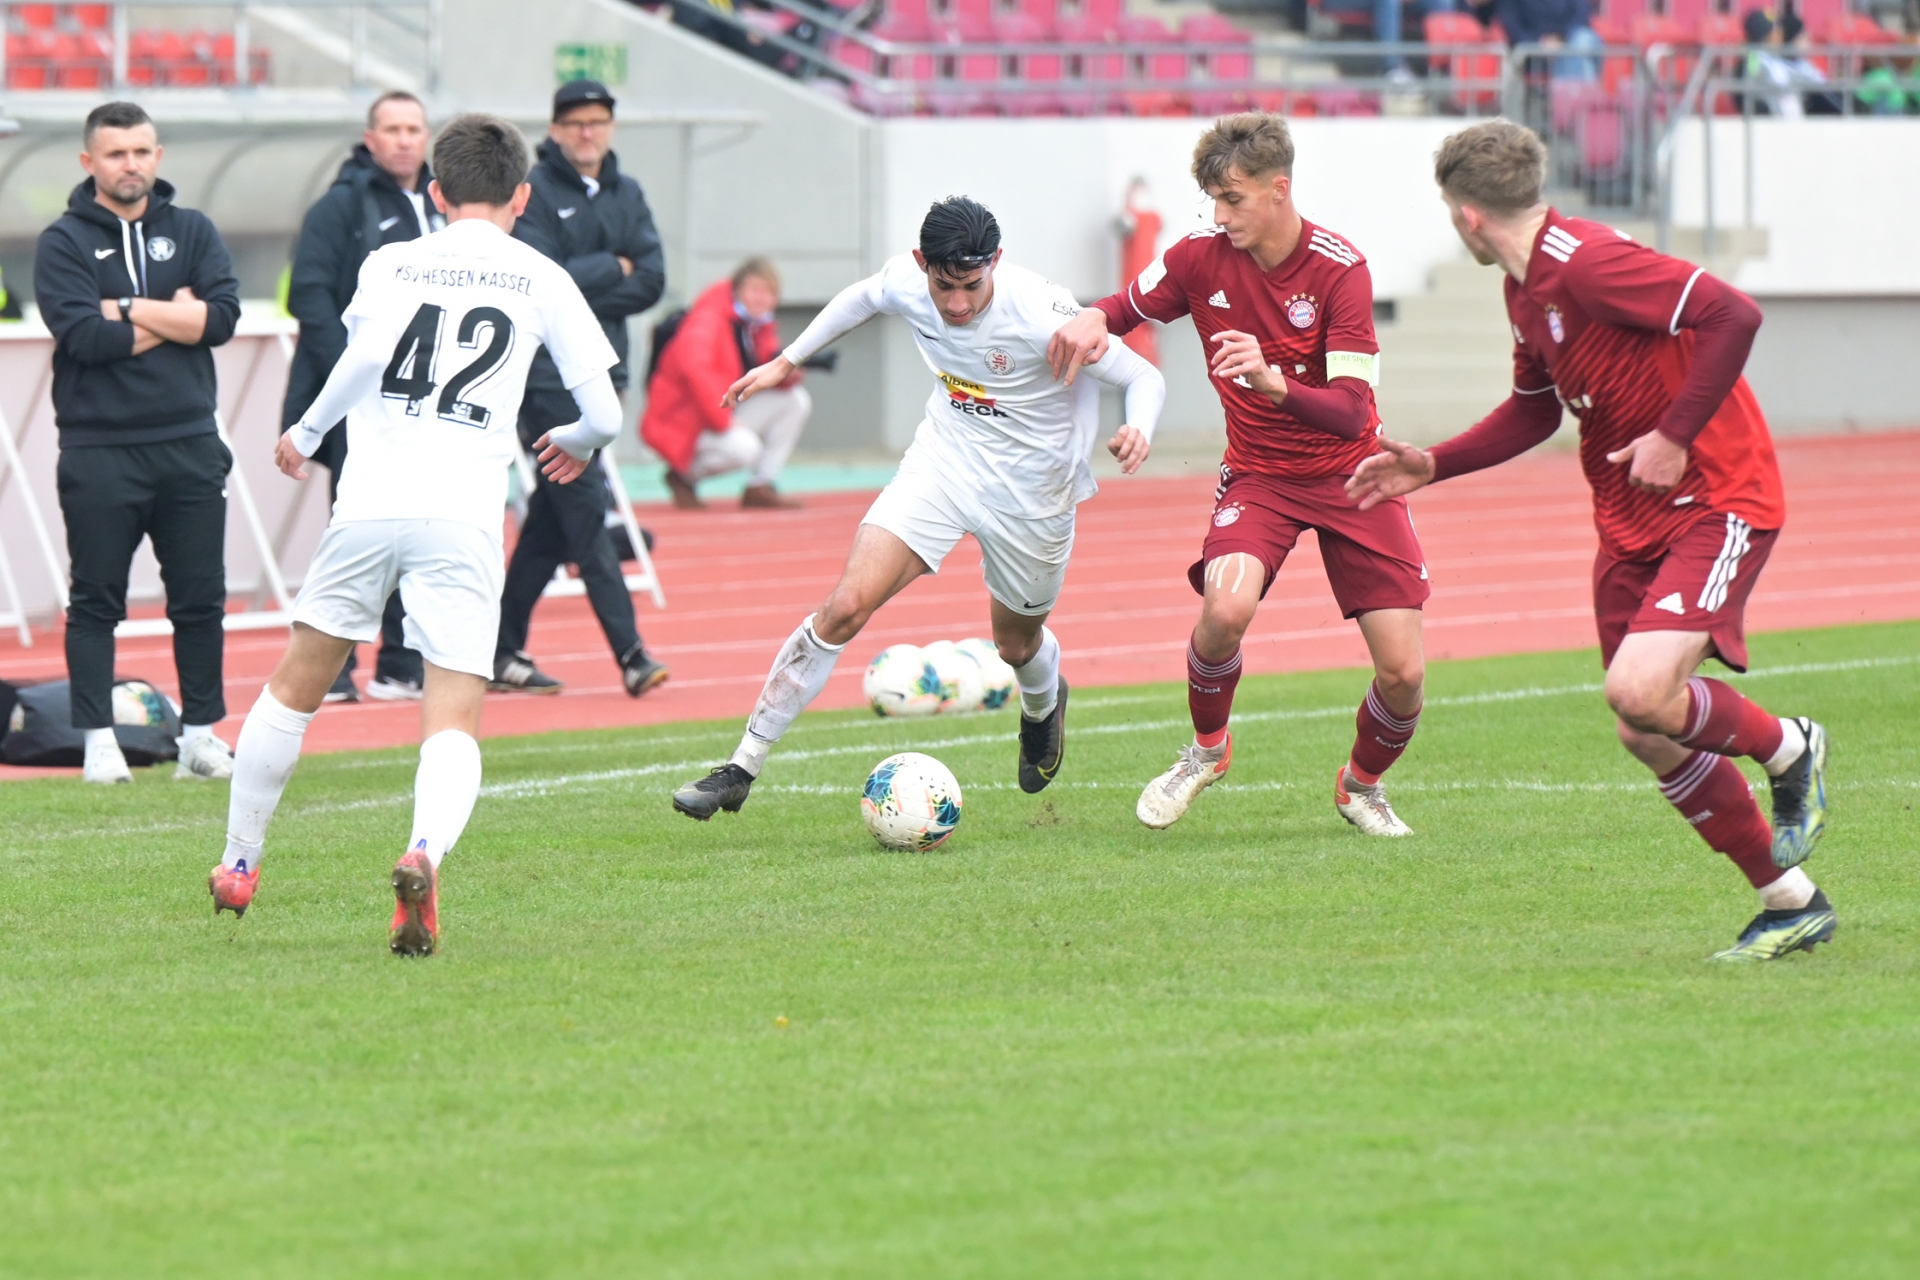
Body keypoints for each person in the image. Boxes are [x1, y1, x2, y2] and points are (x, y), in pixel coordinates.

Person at [1346, 120, 1831, 962]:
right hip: (1629, 521)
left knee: (1640, 691)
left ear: (1466, 216)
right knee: (1646, 726)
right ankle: (1790, 902)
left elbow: (1733, 313)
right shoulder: (1524, 289)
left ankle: (1791, 746)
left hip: (1714, 498)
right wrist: (1435, 464)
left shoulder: (1588, 263)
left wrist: (1674, 435)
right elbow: (1536, 410)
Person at [206, 114, 623, 957]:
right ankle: (424, 851)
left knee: (295, 686)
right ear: (522, 196)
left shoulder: (392, 260)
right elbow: (605, 415)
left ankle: (240, 862)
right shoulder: (540, 274)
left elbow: (361, 361)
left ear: (435, 192)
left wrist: (308, 432)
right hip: (461, 516)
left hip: (369, 504)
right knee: (453, 712)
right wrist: (577, 443)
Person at [670, 197, 1166, 820]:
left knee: (1015, 645)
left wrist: (1138, 428)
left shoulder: (1043, 311)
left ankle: (1043, 705)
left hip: (1035, 494)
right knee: (845, 606)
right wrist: (786, 360)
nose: (956, 304)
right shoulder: (908, 280)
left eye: (970, 286)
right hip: (944, 462)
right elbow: (862, 297)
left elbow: (1144, 377)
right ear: (921, 264)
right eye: (942, 286)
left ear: (995, 262)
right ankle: (741, 766)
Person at [1048, 113, 1430, 838]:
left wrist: (1274, 381)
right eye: (1213, 201)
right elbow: (1125, 307)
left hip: (1354, 475)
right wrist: (1092, 319)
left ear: (1279, 189)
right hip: (1261, 476)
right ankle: (1205, 752)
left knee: (1404, 674)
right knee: (1223, 614)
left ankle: (1361, 786)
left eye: (1234, 199)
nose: (1220, 217)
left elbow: (1353, 411)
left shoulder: (1341, 270)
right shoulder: (1198, 257)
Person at [33, 100, 242, 785]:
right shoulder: (63, 241)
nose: (131, 164)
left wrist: (125, 309)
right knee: (96, 601)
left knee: (200, 599)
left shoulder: (193, 229)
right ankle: (99, 744)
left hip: (189, 441)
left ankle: (199, 739)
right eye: (117, 153)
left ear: (158, 156)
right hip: (99, 450)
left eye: (142, 151)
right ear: (89, 161)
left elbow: (221, 320)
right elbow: (84, 339)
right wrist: (176, 315)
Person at [488, 78, 669, 698]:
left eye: (597, 121)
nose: (587, 132)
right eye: (575, 122)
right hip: (547, 380)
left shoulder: (628, 191)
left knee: (553, 520)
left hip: (603, 376)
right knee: (586, 511)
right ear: (556, 129)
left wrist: (584, 284)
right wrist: (613, 265)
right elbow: (543, 280)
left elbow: (652, 280)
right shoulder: (533, 192)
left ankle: (498, 648)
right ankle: (631, 654)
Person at [284, 89, 442, 704]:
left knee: (416, 532)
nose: (404, 139)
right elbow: (309, 295)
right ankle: (334, 669)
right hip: (359, 404)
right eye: (392, 129)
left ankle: (399, 663)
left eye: (414, 128)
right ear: (370, 138)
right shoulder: (340, 206)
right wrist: (350, 380)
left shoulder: (445, 206)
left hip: (423, 406)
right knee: (355, 535)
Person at [642, 256, 812, 510]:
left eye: (769, 293)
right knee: (745, 448)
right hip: (684, 419)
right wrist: (724, 421)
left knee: (795, 400)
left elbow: (762, 370)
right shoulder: (708, 319)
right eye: (755, 290)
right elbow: (694, 371)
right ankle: (683, 476)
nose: (762, 299)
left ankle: (760, 485)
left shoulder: (756, 326)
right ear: (737, 290)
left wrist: (788, 376)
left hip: (718, 409)